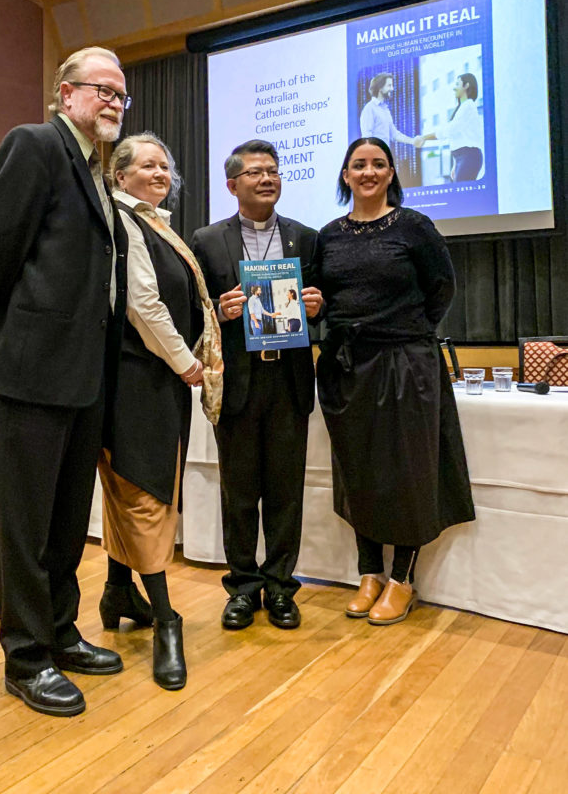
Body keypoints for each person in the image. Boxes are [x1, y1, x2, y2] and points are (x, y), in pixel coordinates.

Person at [0, 46, 130, 716]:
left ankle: (60, 634)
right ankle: (26, 659)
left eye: (121, 93)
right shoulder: (34, 144)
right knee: (25, 525)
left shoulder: (95, 170)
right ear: (66, 94)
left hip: (83, 372)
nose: (114, 100)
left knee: (65, 523)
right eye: (102, 89)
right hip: (34, 365)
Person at [315, 136, 475, 625]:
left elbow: (441, 289)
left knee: (408, 468)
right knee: (358, 468)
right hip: (347, 366)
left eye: (378, 164)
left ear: (390, 174)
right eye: (358, 164)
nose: (368, 171)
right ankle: (369, 573)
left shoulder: (414, 227)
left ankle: (403, 579)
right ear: (345, 175)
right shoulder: (329, 234)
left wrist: (408, 331)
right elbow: (319, 294)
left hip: (406, 362)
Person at [97, 133, 222, 690]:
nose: (161, 172)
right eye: (147, 164)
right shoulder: (125, 221)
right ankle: (166, 618)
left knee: (135, 486)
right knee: (145, 491)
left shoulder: (156, 223)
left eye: (166, 165)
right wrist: (185, 363)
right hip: (137, 377)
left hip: (153, 377)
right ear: (121, 175)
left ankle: (117, 590)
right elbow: (141, 303)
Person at [191, 140, 323, 630]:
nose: (267, 179)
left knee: (286, 492)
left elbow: (322, 306)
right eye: (255, 173)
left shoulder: (305, 239)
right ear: (232, 185)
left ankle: (282, 588)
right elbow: (194, 311)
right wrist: (219, 313)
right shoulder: (207, 240)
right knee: (240, 492)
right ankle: (244, 588)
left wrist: (316, 307)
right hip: (239, 381)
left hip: (288, 380)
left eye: (273, 171)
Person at [416, 73, 483, 181]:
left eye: (457, 84)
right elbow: (458, 136)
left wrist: (424, 137)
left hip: (468, 157)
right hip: (462, 158)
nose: (454, 88)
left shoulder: (468, 106)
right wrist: (456, 164)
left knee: (462, 196)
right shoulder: (462, 107)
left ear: (466, 86)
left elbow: (450, 130)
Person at [359, 73, 417, 149]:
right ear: (380, 88)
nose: (392, 89)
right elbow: (367, 138)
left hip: (384, 155)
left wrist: (412, 141)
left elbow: (394, 134)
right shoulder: (369, 109)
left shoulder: (385, 109)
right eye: (389, 85)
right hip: (375, 156)